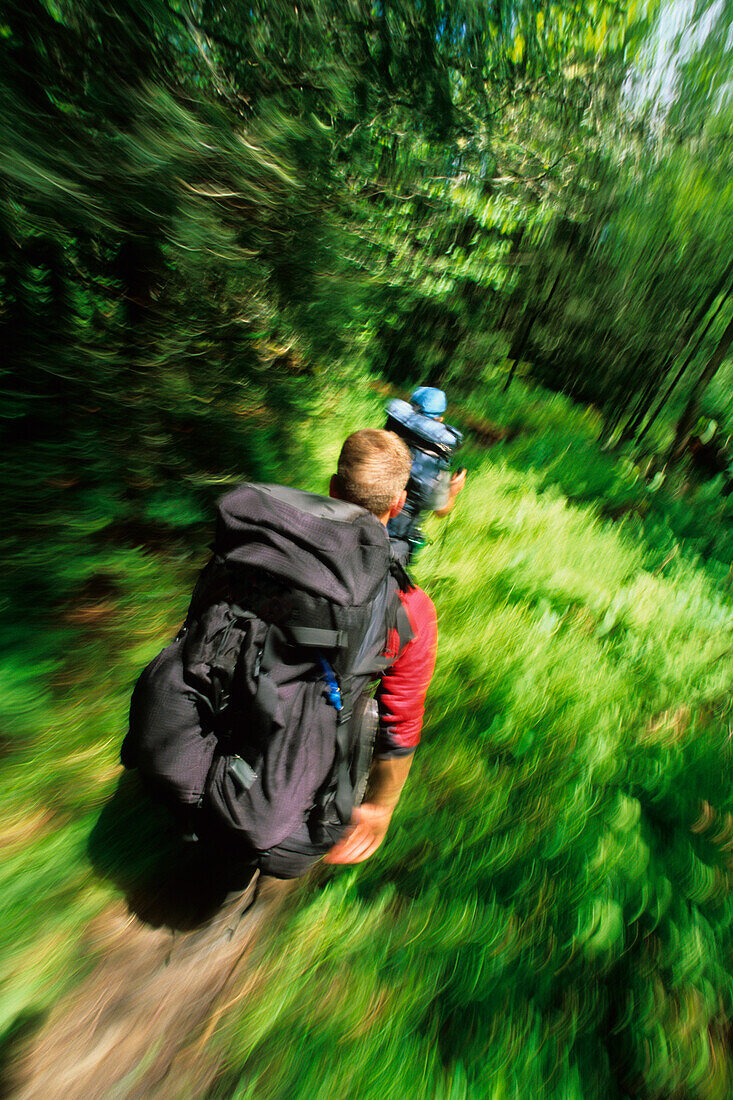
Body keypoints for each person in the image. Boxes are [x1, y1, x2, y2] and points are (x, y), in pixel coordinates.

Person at [385, 387, 466, 564]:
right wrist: (452, 491)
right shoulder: (437, 455)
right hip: (398, 539)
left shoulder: (391, 431)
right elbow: (441, 511)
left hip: (365, 518)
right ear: (440, 420)